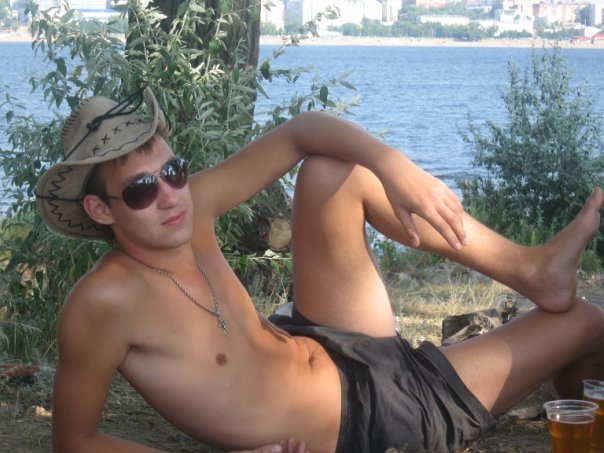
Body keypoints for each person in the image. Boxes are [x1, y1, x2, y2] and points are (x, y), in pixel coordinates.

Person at [35, 87, 604, 453]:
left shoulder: (189, 206)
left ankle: (530, 269)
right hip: (371, 420)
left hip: (328, 339)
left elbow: (302, 131)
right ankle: (577, 408)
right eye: (140, 190)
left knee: (332, 171)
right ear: (100, 210)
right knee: (587, 323)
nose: (169, 196)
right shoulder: (103, 302)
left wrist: (395, 167)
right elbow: (75, 440)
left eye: (173, 171)